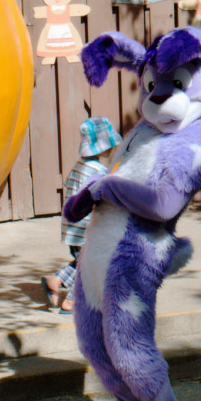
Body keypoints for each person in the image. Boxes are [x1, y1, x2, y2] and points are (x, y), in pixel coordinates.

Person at [41, 116, 121, 314]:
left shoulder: (80, 167)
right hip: (87, 229)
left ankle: (55, 280)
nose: (111, 148)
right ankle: (71, 302)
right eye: (108, 144)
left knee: (83, 261)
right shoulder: (98, 171)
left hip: (74, 228)